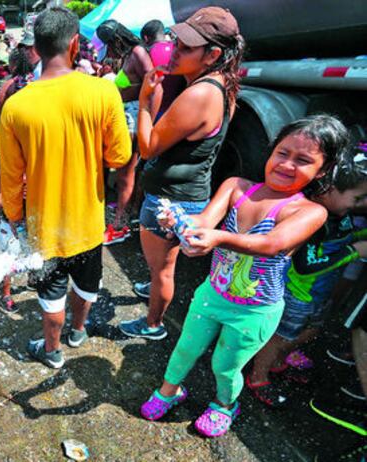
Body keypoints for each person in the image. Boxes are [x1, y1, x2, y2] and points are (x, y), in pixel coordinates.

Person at [139, 115, 351, 438]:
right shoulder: (235, 186)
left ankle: (224, 405)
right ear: (271, 150)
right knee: (185, 347)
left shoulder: (309, 212)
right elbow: (205, 221)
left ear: (322, 170)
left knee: (225, 365)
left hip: (255, 310)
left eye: (304, 160)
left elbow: (271, 244)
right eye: (283, 152)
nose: (288, 164)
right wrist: (178, 221)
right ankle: (170, 390)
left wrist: (218, 239)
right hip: (213, 293)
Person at [0, 7, 132, 369]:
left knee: (49, 293)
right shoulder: (103, 93)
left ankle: (52, 350)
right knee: (87, 286)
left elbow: (10, 175)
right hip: (88, 223)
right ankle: (77, 331)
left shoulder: (16, 106)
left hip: (45, 226)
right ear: (75, 44)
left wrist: (13, 216)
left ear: (35, 50)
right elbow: (120, 155)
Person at [120, 7, 245, 340]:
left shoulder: (199, 93)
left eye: (186, 48)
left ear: (213, 54)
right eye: (176, 42)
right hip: (186, 195)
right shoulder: (219, 84)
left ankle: (152, 325)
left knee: (163, 270)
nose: (174, 51)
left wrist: (146, 101)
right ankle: (155, 292)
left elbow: (147, 147)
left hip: (168, 202)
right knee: (163, 265)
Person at [247, 146, 367, 407]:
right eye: (357, 198)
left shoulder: (340, 215)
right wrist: (354, 251)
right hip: (298, 294)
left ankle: (279, 359)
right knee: (282, 336)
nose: (360, 205)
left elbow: (343, 238)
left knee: (312, 330)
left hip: (319, 293)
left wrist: (357, 238)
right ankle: (258, 375)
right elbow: (305, 266)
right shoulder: (315, 220)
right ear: (328, 189)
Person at [93, 20, 154, 246]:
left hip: (135, 119)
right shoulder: (129, 55)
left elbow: (154, 82)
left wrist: (149, 117)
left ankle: (120, 225)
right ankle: (122, 219)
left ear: (117, 39)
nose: (108, 50)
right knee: (123, 173)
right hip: (126, 117)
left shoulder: (137, 52)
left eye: (109, 44)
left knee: (125, 173)